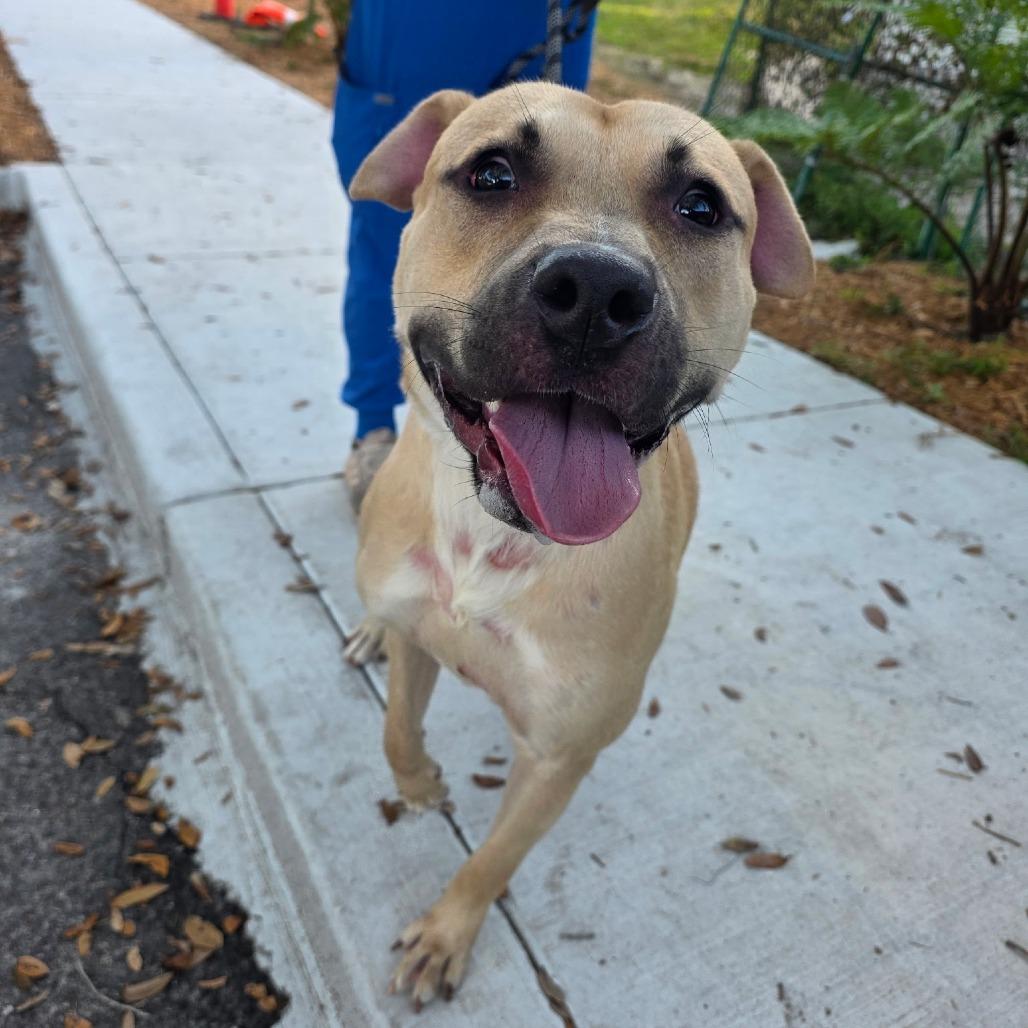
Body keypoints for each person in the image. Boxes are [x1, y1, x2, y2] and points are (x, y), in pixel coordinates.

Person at [331, 1, 596, 511]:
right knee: (388, 245)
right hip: (417, 30)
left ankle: (543, 442)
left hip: (545, 22)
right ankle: (374, 428)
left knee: (560, 255)